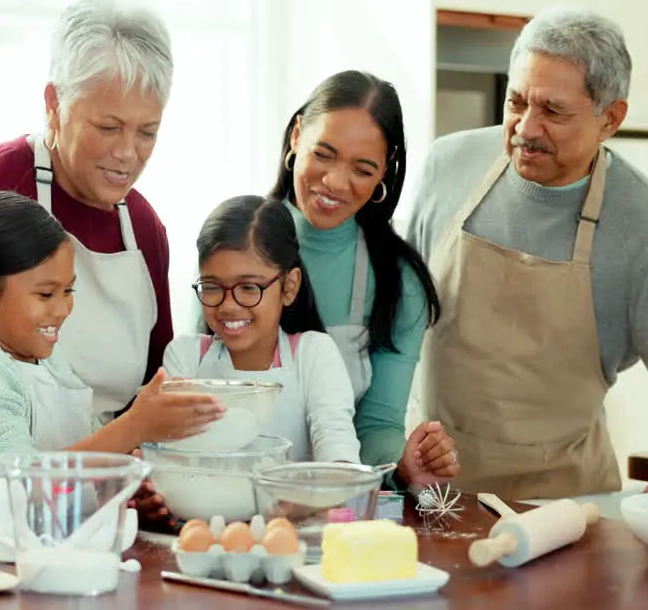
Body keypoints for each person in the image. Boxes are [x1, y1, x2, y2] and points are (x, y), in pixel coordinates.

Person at [0, 0, 213, 529]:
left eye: (148, 132)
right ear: (54, 103)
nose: (129, 152)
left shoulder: (144, 228)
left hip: (79, 512)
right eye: (108, 126)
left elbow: (147, 390)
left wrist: (136, 479)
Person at [406, 6, 648, 500]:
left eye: (553, 111)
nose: (526, 128)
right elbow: (396, 321)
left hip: (567, 511)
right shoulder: (447, 167)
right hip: (430, 494)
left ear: (611, 119)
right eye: (516, 102)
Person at [0, 191, 225, 539]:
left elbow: (88, 449)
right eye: (46, 294)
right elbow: (16, 491)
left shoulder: (46, 359)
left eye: (69, 291)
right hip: (2, 571)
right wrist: (135, 425)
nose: (63, 309)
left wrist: (122, 486)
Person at [165, 195, 458, 486]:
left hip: (298, 519)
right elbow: (171, 458)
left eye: (248, 287)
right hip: (202, 523)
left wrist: (329, 486)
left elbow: (337, 446)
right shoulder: (186, 358)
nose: (228, 305)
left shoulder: (313, 354)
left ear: (289, 287)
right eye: (213, 286)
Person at [260, 70, 447, 478]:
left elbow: (378, 425)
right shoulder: (238, 244)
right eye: (323, 154)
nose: (335, 182)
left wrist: (402, 466)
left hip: (339, 500)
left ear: (385, 171)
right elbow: (197, 386)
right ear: (296, 136)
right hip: (234, 492)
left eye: (363, 169)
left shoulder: (399, 283)